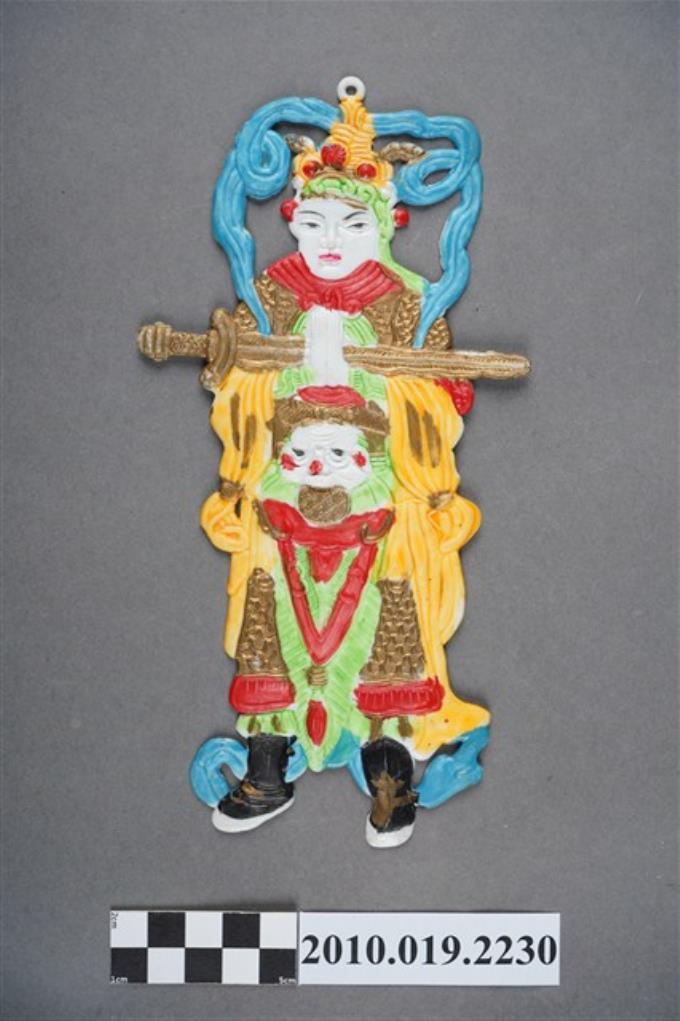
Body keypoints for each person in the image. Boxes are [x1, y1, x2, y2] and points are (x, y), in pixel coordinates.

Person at [199, 81, 488, 847]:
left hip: (378, 496)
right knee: (269, 627)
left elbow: (443, 402)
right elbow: (234, 387)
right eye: (314, 222)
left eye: (353, 223)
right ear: (292, 219)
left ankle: (389, 776)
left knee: (391, 635)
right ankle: (268, 768)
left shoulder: (408, 303)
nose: (331, 239)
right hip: (283, 488)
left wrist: (389, 388)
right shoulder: (271, 295)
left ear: (385, 223)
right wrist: (251, 375)